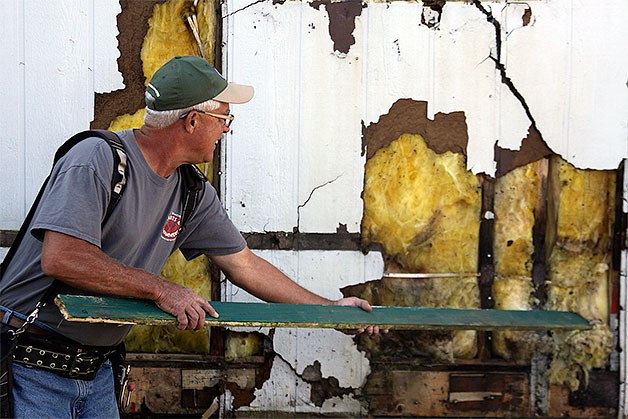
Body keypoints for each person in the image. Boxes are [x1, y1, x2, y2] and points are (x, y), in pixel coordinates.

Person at [0, 55, 381, 418]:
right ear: (193, 121)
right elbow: (62, 257)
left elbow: (244, 264)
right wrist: (163, 289)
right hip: (30, 363)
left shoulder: (191, 190)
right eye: (225, 118)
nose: (228, 128)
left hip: (96, 370)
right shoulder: (97, 159)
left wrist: (328, 309)